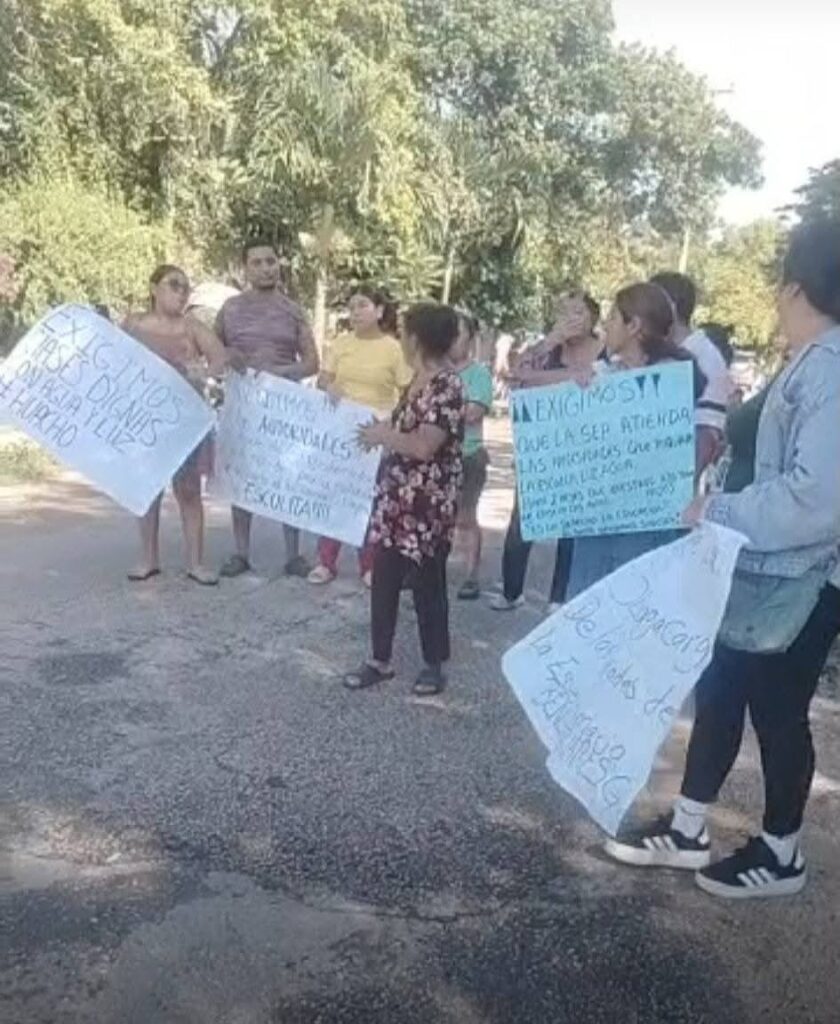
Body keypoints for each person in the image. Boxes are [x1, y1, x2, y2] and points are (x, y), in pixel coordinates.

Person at [605, 220, 840, 899]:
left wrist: (718, 511)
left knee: (776, 707)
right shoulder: (808, 359)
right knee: (724, 689)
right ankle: (687, 828)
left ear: (794, 286)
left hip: (804, 575)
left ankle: (781, 852)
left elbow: (818, 499)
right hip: (766, 568)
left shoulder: (826, 367)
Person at [344, 303, 464, 697]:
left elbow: (426, 446)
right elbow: (403, 430)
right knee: (385, 578)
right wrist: (379, 431)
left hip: (428, 504)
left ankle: (434, 663)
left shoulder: (448, 386)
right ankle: (379, 659)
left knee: (429, 583)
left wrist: (385, 437)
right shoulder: (415, 381)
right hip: (396, 499)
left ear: (418, 338)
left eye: (405, 331)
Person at [564, 283, 705, 600]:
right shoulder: (601, 373)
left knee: (631, 612)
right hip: (597, 519)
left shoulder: (673, 380)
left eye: (613, 317)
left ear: (634, 326)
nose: (606, 326)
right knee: (586, 612)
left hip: (645, 525)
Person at [491, 292, 602, 612]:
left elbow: (597, 381)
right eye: (564, 312)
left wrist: (540, 380)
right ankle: (512, 591)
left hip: (585, 449)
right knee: (522, 522)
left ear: (593, 318)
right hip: (542, 447)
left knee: (572, 528)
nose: (571, 318)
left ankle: (559, 596)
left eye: (578, 312)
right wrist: (551, 344)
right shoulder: (547, 348)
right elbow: (516, 374)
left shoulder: (605, 350)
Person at [216, 239, 319, 578]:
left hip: (285, 407)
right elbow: (212, 353)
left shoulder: (294, 310)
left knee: (289, 476)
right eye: (257, 263)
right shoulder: (229, 309)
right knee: (243, 476)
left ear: (279, 265)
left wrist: (278, 373)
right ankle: (240, 553)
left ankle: (294, 555)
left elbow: (312, 363)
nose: (265, 268)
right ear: (244, 269)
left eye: (270, 261)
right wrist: (228, 359)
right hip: (243, 405)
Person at [122, 264, 228, 586]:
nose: (181, 291)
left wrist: (206, 372)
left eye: (185, 287)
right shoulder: (133, 323)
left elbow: (221, 358)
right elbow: (112, 360)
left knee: (188, 491)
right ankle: (148, 560)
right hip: (144, 420)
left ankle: (195, 563)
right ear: (154, 288)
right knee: (147, 490)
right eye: (173, 284)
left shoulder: (192, 327)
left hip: (185, 421)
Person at [308, 288, 412, 587]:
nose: (355, 312)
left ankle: (369, 565)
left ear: (379, 311)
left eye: (363, 306)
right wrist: (328, 385)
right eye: (351, 307)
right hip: (341, 433)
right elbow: (323, 378)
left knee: (370, 500)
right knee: (335, 494)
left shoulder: (393, 349)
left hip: (376, 436)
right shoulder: (340, 344)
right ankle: (326, 562)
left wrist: (391, 423)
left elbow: (406, 390)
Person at [651, 272, 733, 476]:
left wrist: (683, 485)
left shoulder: (706, 357)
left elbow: (708, 434)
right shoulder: (657, 351)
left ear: (670, 307)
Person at [449, 312, 494, 599]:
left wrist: (438, 407)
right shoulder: (432, 371)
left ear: (470, 338)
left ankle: (470, 575)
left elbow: (474, 413)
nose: (453, 340)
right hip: (434, 454)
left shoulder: (479, 374)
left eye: (459, 333)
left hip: (468, 454)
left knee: (465, 517)